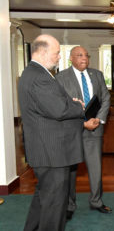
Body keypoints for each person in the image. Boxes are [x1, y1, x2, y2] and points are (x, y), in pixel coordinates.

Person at [19, 34, 85, 231]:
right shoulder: (39, 77)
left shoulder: (33, 73)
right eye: (57, 53)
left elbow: (52, 105)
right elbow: (59, 110)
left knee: (44, 199)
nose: (59, 57)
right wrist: (79, 107)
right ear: (43, 52)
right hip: (52, 152)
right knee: (55, 206)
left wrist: (69, 104)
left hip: (48, 151)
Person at [56, 46, 112, 220]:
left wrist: (99, 119)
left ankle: (96, 201)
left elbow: (105, 98)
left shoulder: (97, 75)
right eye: (80, 55)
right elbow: (60, 105)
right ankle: (69, 205)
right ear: (71, 58)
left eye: (86, 55)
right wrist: (82, 122)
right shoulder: (61, 77)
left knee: (95, 168)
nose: (84, 58)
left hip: (95, 129)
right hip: (72, 131)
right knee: (71, 171)